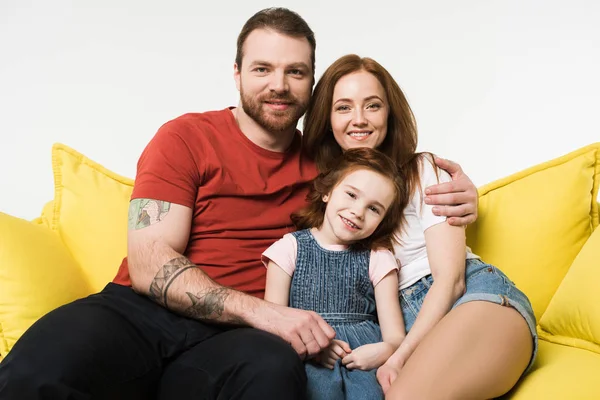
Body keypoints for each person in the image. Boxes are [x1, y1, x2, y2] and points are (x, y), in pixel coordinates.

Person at [0, 8, 478, 400]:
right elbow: (149, 264)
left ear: (312, 86)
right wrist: (266, 313)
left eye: (296, 72)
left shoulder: (330, 166)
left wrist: (459, 194)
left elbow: (390, 174)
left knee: (272, 375)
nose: (279, 85)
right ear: (236, 73)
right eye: (262, 69)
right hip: (144, 313)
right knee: (34, 371)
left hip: (239, 344)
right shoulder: (185, 137)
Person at [302, 54, 537, 400]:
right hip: (406, 329)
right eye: (343, 108)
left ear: (389, 114)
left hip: (472, 299)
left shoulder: (422, 171)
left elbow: (451, 280)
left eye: (372, 106)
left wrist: (399, 356)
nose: (359, 119)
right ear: (327, 119)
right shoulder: (332, 199)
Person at [263, 147, 407, 399]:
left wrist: (383, 351)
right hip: (308, 355)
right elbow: (272, 323)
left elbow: (396, 336)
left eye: (374, 209)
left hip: (363, 359)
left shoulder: (378, 258)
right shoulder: (289, 248)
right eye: (351, 194)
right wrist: (313, 349)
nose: (358, 211)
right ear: (327, 192)